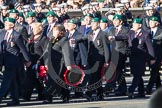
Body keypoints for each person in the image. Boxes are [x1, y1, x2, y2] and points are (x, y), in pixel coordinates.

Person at [75, 17, 111, 101]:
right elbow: (84, 38)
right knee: (97, 77)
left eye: (93, 23)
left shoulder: (102, 34)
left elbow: (106, 48)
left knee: (93, 76)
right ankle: (100, 94)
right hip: (91, 58)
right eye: (91, 23)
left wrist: (106, 60)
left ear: (98, 24)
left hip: (99, 59)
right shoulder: (91, 33)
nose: (92, 25)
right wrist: (75, 40)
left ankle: (89, 93)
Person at [0, 17, 31, 106]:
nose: (5, 25)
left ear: (12, 25)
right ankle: (15, 99)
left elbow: (23, 49)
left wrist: (27, 60)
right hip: (4, 60)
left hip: (14, 62)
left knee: (6, 81)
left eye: (7, 23)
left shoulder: (17, 35)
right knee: (13, 81)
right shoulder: (2, 33)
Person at [43, 24, 73, 103]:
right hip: (52, 63)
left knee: (59, 80)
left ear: (61, 32)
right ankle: (50, 97)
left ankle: (63, 96)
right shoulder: (52, 39)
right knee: (52, 80)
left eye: (56, 30)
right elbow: (48, 50)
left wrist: (68, 65)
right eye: (53, 30)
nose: (54, 32)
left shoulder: (64, 40)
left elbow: (66, 53)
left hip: (60, 63)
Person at [127, 18, 155, 99]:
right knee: (137, 75)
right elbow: (124, 36)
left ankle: (131, 90)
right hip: (133, 58)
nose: (133, 25)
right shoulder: (131, 33)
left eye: (135, 24)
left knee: (137, 75)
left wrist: (152, 58)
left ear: (139, 25)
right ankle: (141, 92)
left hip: (141, 58)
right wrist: (114, 37)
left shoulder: (145, 34)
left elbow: (150, 47)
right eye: (133, 24)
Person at [22, 22, 47, 101]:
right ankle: (27, 95)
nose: (32, 30)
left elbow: (46, 52)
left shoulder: (44, 39)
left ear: (39, 29)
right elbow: (26, 48)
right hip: (30, 61)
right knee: (30, 79)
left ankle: (41, 95)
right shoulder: (31, 38)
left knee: (38, 80)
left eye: (34, 28)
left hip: (39, 62)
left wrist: (41, 62)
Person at [108, 14, 129, 96]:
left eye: (116, 21)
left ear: (120, 21)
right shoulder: (112, 30)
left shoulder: (125, 29)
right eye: (113, 21)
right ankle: (121, 88)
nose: (114, 22)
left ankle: (118, 88)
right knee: (117, 72)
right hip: (114, 53)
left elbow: (126, 36)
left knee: (118, 71)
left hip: (121, 53)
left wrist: (115, 37)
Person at [146, 16, 162, 94]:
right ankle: (159, 87)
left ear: (157, 23)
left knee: (154, 71)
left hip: (158, 55)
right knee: (155, 72)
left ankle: (149, 88)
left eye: (152, 22)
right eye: (150, 22)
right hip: (149, 55)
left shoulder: (160, 31)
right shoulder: (147, 32)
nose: (150, 23)